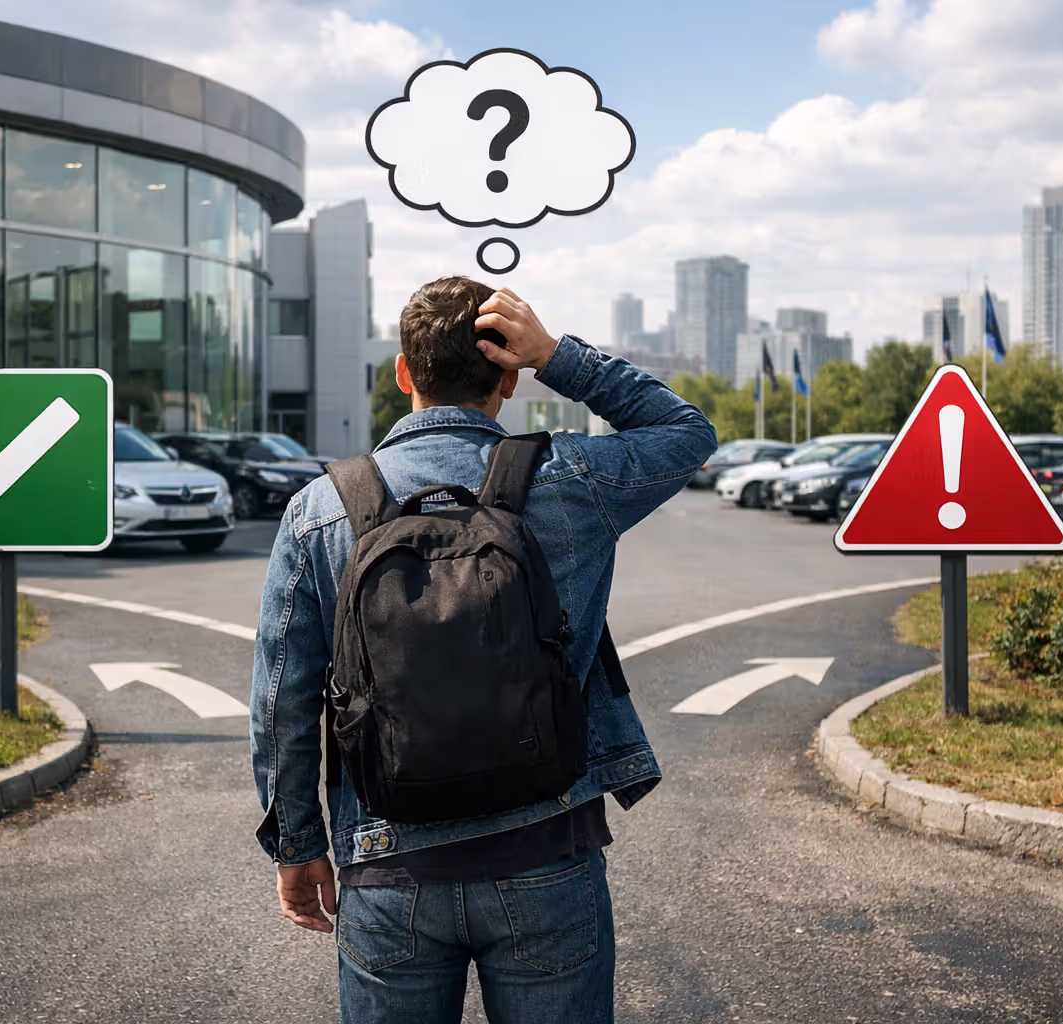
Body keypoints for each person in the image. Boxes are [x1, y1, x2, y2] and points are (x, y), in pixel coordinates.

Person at [250, 277, 716, 1022]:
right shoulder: (570, 478)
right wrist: (560, 355)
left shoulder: (322, 508)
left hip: (387, 861)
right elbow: (686, 432)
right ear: (509, 376)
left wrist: (297, 845)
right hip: (546, 850)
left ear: (403, 372)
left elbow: (282, 699)